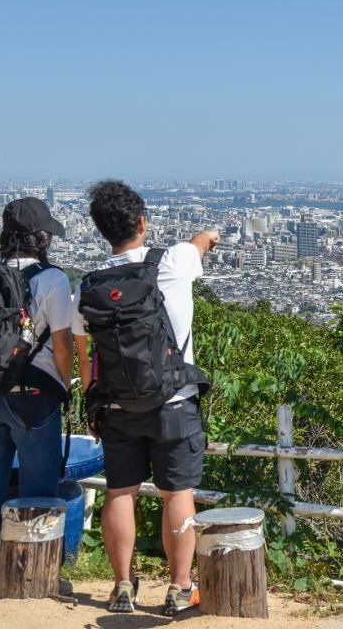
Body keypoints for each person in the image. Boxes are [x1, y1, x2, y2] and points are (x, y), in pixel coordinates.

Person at [72, 180, 218, 615]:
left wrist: (92, 400)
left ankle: (121, 585)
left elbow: (84, 356)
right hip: (173, 401)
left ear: (102, 230)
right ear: (141, 222)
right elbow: (200, 243)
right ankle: (178, 587)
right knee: (178, 493)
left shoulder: (89, 287)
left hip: (116, 405)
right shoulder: (172, 262)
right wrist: (208, 238)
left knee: (120, 491)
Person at [0, 197, 74, 599]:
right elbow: (62, 343)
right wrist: (65, 384)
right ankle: (35, 577)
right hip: (34, 396)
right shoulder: (52, 279)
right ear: (41, 238)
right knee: (40, 485)